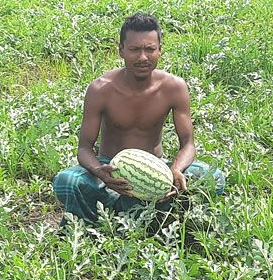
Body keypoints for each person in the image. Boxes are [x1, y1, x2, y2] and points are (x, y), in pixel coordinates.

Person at [52, 12, 225, 226]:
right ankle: (115, 215)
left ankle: (126, 209)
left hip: (158, 168)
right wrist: (101, 173)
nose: (142, 57)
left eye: (150, 49)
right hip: (110, 169)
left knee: (214, 177)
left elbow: (188, 144)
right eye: (134, 49)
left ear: (160, 49)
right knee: (66, 182)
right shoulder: (100, 89)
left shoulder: (174, 87)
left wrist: (175, 170)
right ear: (121, 50)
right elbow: (84, 148)